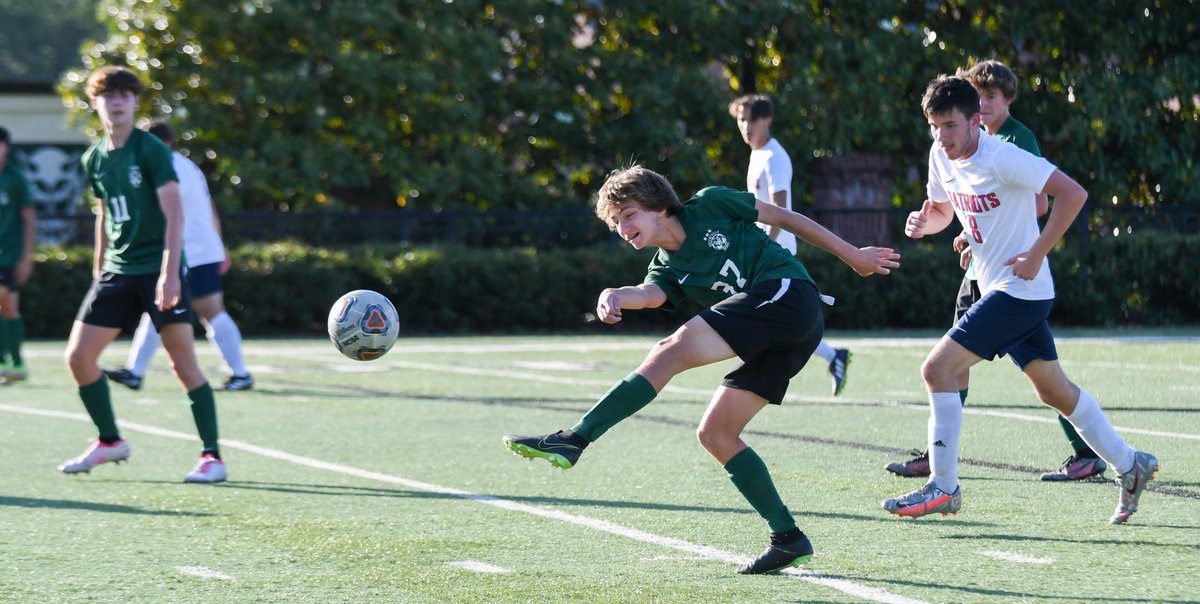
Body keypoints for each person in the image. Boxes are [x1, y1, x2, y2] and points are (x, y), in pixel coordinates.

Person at [503, 165, 899, 574]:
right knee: (716, 433)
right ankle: (787, 537)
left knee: (668, 350)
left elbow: (783, 217)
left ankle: (576, 438)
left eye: (628, 215)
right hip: (786, 335)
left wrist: (854, 255)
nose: (622, 228)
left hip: (788, 295)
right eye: (616, 222)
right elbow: (652, 293)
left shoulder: (709, 203)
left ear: (658, 207)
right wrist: (614, 294)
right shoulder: (666, 265)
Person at [883, 75, 1157, 524]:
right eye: (934, 126)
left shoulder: (1005, 156)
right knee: (1054, 392)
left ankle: (944, 487)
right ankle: (1131, 465)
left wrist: (1037, 252)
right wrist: (924, 223)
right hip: (999, 287)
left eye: (950, 125)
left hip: (1020, 290)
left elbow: (1072, 194)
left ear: (975, 121)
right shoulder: (940, 154)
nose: (941, 136)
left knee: (937, 369)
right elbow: (942, 211)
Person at [58, 66, 226, 483]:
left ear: (135, 102)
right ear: (95, 102)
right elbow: (103, 214)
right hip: (117, 271)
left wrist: (171, 272)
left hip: (158, 268)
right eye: (108, 95)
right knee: (78, 358)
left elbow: (174, 212)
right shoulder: (94, 157)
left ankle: (212, 457)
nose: (116, 102)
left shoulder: (151, 150)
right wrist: (99, 267)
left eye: (124, 95)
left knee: (182, 364)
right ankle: (110, 441)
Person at [104, 120, 253, 392]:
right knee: (159, 308)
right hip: (200, 249)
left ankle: (240, 373)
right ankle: (135, 371)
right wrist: (219, 246)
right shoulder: (188, 166)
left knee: (210, 312)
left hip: (190, 252)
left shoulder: (165, 168)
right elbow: (209, 208)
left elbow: (163, 215)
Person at [730, 94, 851, 396]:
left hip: (775, 253)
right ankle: (833, 355)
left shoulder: (774, 157)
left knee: (774, 318)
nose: (745, 127)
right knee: (780, 320)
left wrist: (763, 249)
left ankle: (755, 379)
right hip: (763, 251)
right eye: (741, 120)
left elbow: (780, 212)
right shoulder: (756, 155)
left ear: (766, 120)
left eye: (751, 120)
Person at [0, 125, 36, 384]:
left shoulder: (15, 178)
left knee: (7, 304)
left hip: (9, 254)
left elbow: (29, 218)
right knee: (8, 307)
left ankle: (13, 362)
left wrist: (27, 256)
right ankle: (11, 364)